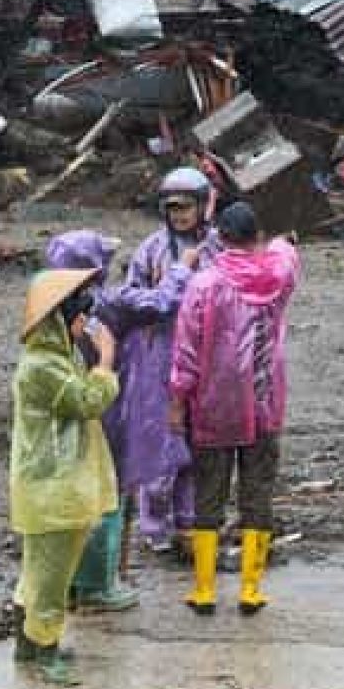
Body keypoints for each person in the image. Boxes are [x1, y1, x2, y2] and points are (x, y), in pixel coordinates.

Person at [44, 229, 198, 612]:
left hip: (63, 410)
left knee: (75, 494)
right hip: (112, 404)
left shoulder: (47, 309)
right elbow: (164, 302)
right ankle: (102, 582)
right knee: (111, 494)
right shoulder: (111, 304)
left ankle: (75, 580)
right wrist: (182, 268)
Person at [169, 201, 300, 615]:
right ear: (255, 236)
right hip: (265, 401)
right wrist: (277, 241)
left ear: (220, 238)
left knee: (209, 492)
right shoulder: (279, 272)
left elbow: (186, 352)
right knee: (257, 492)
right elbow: (286, 250)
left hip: (215, 403)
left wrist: (177, 401)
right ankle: (250, 589)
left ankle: (205, 590)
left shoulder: (204, 284)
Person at [11, 269, 120, 685]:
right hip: (51, 490)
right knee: (52, 576)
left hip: (49, 487)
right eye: (79, 319)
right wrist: (106, 361)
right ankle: (45, 652)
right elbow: (88, 401)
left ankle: (28, 646)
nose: (84, 328)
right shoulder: (44, 368)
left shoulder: (53, 360)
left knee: (37, 571)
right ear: (61, 320)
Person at [122, 166, 220, 556]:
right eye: (171, 208)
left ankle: (188, 520)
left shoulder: (218, 248)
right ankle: (153, 525)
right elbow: (131, 295)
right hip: (160, 355)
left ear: (202, 206)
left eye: (186, 207)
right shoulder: (151, 249)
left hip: (205, 357)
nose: (179, 215)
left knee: (196, 444)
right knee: (162, 443)